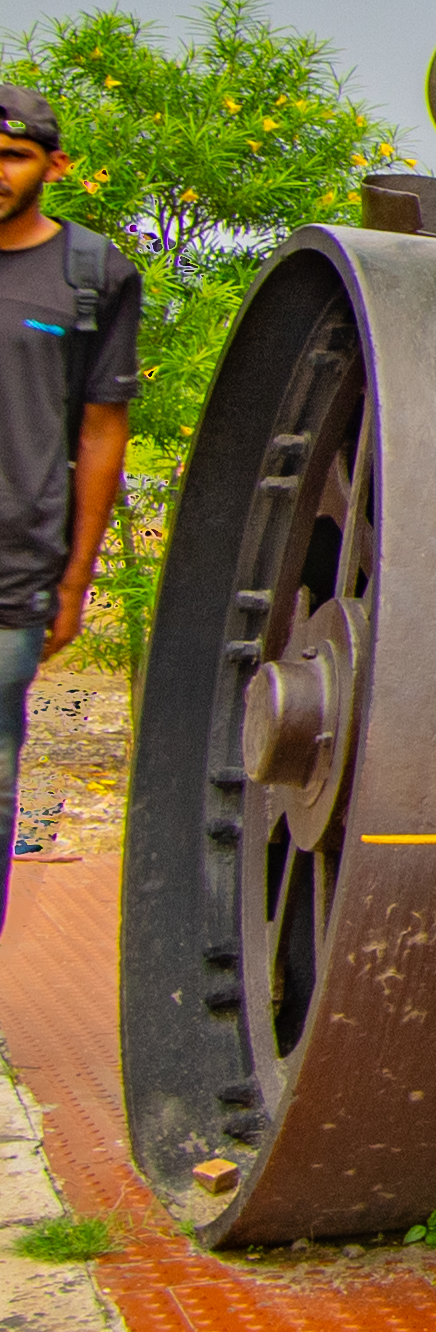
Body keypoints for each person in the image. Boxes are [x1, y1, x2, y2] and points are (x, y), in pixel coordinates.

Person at [0, 84, 142, 926]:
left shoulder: (93, 275)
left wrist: (74, 576)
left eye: (13, 154)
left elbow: (101, 430)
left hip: (12, 569)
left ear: (53, 165)